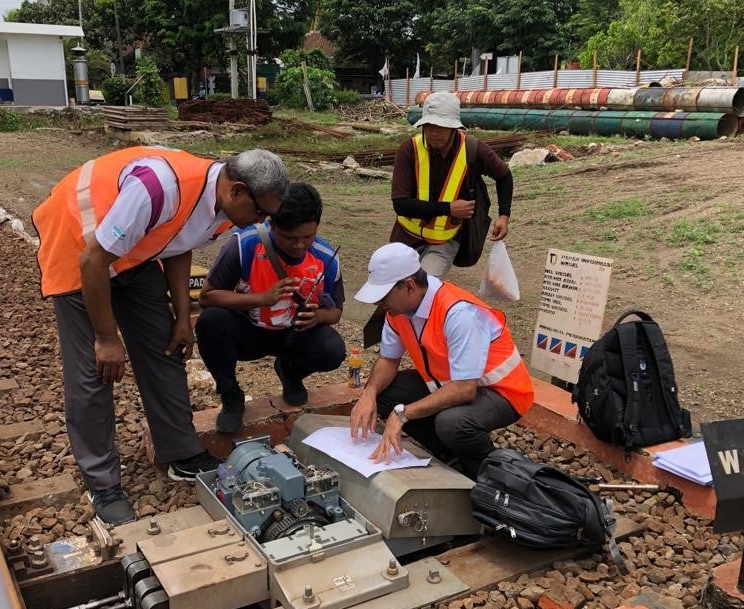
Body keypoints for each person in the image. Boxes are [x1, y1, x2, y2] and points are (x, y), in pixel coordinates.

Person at [32, 147, 289, 524]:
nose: (262, 222)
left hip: (134, 253)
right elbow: (94, 260)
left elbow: (179, 244)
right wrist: (107, 338)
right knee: (93, 371)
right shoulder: (159, 189)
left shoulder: (224, 205)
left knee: (167, 345)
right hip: (78, 247)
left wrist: (183, 317)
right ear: (236, 191)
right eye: (262, 213)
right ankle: (102, 483)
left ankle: (182, 453)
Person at [350, 242, 534, 478]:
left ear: (409, 286)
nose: (379, 304)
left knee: (452, 423)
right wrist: (369, 392)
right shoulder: (397, 312)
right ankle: (451, 457)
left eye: (383, 297)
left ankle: (492, 477)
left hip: (501, 391)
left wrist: (403, 413)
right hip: (449, 383)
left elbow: (464, 389)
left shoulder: (457, 312)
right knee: (384, 393)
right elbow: (388, 360)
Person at [197, 182, 346, 432]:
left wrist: (318, 316)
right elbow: (207, 298)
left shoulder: (325, 257)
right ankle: (231, 396)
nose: (299, 245)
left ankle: (290, 371)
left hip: (293, 335)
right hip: (249, 332)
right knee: (210, 322)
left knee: (332, 349)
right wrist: (261, 299)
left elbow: (336, 312)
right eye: (290, 238)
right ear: (272, 225)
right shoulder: (244, 245)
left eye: (307, 237)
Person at [390, 90, 514, 277]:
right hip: (406, 236)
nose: (433, 133)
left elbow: (504, 176)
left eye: (441, 126)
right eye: (428, 126)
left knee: (424, 285)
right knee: (393, 287)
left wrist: (504, 216)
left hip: (445, 239)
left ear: (454, 128)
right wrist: (449, 209)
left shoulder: (473, 149)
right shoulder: (409, 150)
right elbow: (400, 204)